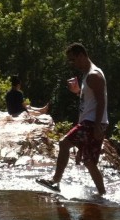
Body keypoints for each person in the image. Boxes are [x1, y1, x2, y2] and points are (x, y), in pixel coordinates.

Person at [37, 42, 108, 196]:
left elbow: (102, 101)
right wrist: (77, 92)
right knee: (89, 162)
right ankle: (102, 194)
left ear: (81, 55)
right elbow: (89, 102)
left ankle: (55, 181)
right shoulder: (87, 75)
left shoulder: (94, 75)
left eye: (73, 59)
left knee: (64, 143)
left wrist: (97, 127)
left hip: (92, 123)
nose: (72, 64)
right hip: (90, 122)